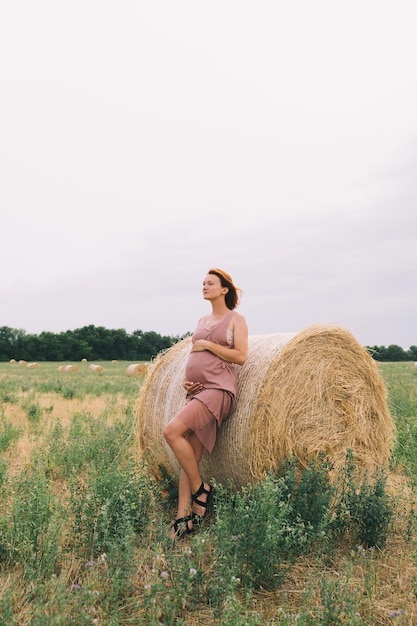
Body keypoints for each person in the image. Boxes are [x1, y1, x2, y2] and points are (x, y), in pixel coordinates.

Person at [163, 268, 248, 539]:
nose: (204, 286)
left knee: (171, 432)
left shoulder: (236, 319)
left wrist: (209, 347)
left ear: (225, 289)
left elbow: (241, 357)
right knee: (191, 457)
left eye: (210, 283)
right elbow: (195, 357)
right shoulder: (201, 320)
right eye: (203, 283)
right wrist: (187, 382)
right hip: (196, 392)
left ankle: (201, 490)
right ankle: (182, 517)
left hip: (218, 390)